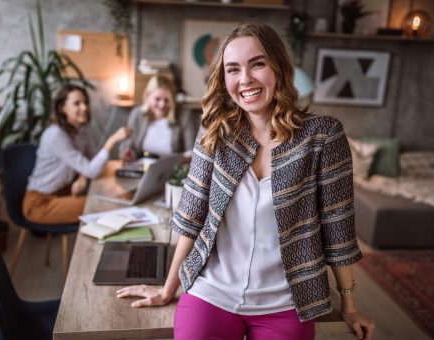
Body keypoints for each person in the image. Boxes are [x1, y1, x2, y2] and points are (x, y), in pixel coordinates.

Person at [116, 22, 375, 340]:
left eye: (258, 64)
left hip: (286, 302)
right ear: (224, 80)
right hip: (212, 294)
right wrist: (169, 287)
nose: (245, 79)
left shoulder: (322, 135)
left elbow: (338, 228)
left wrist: (349, 304)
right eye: (233, 69)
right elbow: (190, 216)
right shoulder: (215, 132)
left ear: (278, 66)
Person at [23, 84, 131, 224]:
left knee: (112, 197)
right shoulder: (56, 135)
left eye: (85, 102)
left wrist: (82, 176)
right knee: (100, 205)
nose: (84, 107)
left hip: (64, 194)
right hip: (40, 203)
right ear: (63, 108)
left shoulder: (82, 129)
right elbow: (92, 170)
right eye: (77, 103)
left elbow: (92, 162)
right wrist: (112, 141)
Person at [119, 75, 197, 161]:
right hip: (142, 167)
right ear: (148, 96)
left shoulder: (185, 116)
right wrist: (128, 153)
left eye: (167, 100)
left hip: (173, 169)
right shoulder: (138, 114)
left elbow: (191, 151)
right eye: (157, 99)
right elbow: (128, 145)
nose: (162, 105)